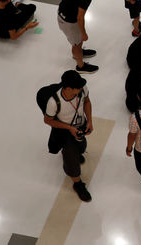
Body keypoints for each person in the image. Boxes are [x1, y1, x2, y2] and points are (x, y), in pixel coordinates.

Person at [57, 0, 133, 73]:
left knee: (78, 41)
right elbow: (80, 17)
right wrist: (83, 33)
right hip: (68, 21)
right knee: (76, 44)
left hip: (71, 17)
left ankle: (80, 52)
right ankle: (80, 66)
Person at [42, 70, 94, 202]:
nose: (81, 88)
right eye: (78, 87)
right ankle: (78, 183)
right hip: (65, 131)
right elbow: (48, 120)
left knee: (82, 147)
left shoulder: (82, 90)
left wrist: (90, 120)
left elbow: (87, 102)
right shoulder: (54, 102)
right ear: (68, 88)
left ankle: (76, 153)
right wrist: (69, 128)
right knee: (72, 161)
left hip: (80, 125)